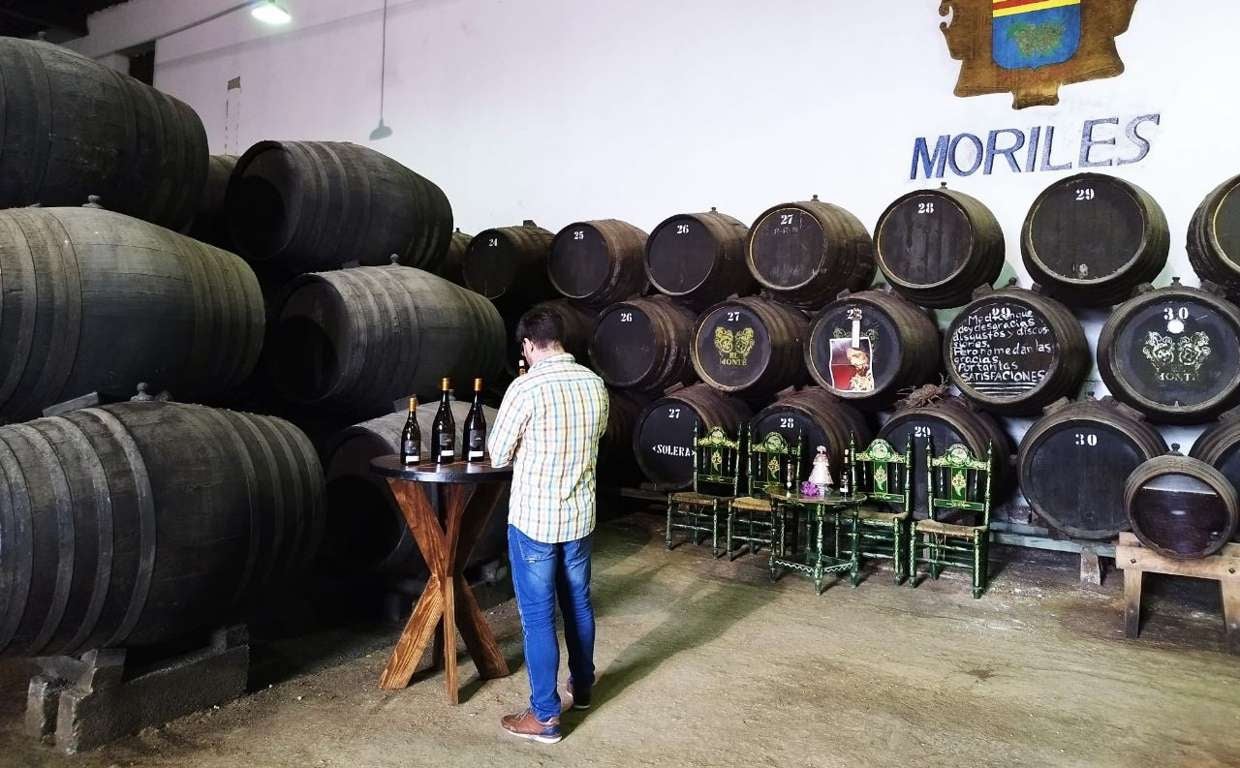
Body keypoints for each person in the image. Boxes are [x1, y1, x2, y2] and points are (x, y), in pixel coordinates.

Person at [487, 306, 609, 744]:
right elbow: (593, 441)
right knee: (578, 604)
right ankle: (584, 687)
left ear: (527, 344)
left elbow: (498, 453)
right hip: (578, 517)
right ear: (560, 339)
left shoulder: (526, 388)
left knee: (538, 618)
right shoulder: (595, 385)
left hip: (536, 520)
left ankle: (545, 717)